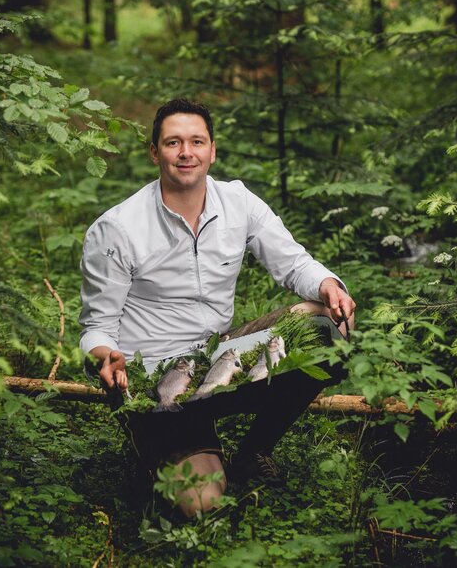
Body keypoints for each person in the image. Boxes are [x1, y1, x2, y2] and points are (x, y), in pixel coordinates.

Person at [79, 98, 355, 517]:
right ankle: (158, 446)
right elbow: (97, 326)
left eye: (196, 141)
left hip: (216, 359)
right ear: (155, 152)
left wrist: (329, 285)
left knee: (324, 324)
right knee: (202, 505)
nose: (186, 152)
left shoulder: (238, 204)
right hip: (154, 378)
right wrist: (105, 356)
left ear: (212, 150)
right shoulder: (117, 228)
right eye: (173, 143)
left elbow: (294, 263)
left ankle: (252, 453)